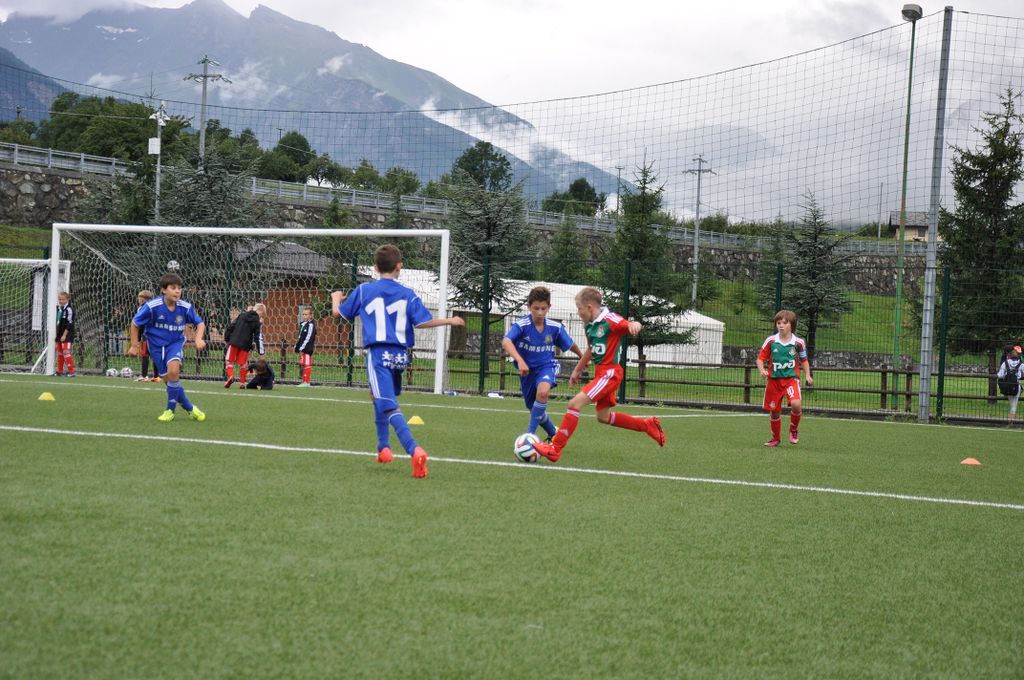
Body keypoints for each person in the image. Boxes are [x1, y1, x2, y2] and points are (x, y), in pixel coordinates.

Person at [331, 244, 466, 478]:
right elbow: (422, 322)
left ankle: (414, 450)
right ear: (399, 266)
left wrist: (335, 298)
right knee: (377, 395)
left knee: (388, 404)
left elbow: (338, 314)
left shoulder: (364, 290)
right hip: (401, 356)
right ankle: (383, 448)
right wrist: (449, 321)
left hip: (378, 354)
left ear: (375, 268)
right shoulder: (408, 293)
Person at [531, 287, 665, 463]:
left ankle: (555, 448)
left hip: (610, 373)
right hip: (601, 374)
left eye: (579, 308)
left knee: (574, 404)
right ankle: (647, 425)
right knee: (603, 417)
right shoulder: (589, 326)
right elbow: (591, 349)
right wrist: (577, 370)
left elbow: (630, 324)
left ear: (589, 307)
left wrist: (635, 325)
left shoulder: (610, 320)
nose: (578, 312)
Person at [502, 286, 583, 440]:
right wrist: (520, 361)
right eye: (536, 308)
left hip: (547, 366)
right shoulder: (522, 325)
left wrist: (582, 356)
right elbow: (506, 342)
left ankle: (529, 436)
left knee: (543, 393)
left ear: (549, 307)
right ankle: (553, 432)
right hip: (527, 371)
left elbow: (570, 343)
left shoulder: (555, 327)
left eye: (543, 308)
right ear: (529, 307)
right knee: (532, 407)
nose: (540, 312)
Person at [127, 272, 206, 423]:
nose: (177, 291)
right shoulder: (152, 306)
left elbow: (200, 323)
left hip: (175, 344)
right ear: (164, 290)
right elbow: (135, 323)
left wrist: (198, 338)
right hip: (156, 347)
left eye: (179, 288)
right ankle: (190, 408)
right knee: (169, 380)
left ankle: (170, 410)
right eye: (173, 288)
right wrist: (135, 345)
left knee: (174, 372)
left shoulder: (185, 307)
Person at [756, 309, 813, 446]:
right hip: (774, 382)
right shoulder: (771, 341)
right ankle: (776, 438)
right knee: (774, 412)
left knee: (796, 404)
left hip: (791, 380)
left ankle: (793, 430)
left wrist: (807, 375)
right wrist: (762, 370)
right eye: (778, 323)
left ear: (792, 325)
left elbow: (804, 360)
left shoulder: (798, 342)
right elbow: (760, 359)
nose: (781, 325)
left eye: (784, 323)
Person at [224, 302, 266, 388]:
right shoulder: (257, 322)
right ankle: (242, 383)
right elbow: (257, 337)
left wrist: (227, 338)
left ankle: (231, 376)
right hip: (245, 345)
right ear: (261, 312)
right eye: (262, 316)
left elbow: (231, 326)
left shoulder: (242, 315)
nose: (261, 318)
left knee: (229, 361)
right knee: (243, 364)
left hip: (234, 341)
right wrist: (261, 352)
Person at [133, 290, 157, 382]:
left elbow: (140, 324)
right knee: (155, 354)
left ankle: (144, 375)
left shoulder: (142, 308)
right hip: (156, 334)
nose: (138, 299)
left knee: (145, 354)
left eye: (139, 298)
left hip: (147, 334)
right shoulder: (155, 307)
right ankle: (157, 376)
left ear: (143, 299)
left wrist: (139, 337)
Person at [997, 344, 1023, 422]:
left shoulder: (1005, 363)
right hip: (1016, 386)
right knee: (1014, 405)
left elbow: (1000, 375)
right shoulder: (1021, 364)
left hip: (1007, 385)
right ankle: (1011, 420)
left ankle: (1011, 420)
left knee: (1012, 403)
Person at [55, 291, 75, 377]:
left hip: (67, 335)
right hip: (59, 335)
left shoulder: (69, 309)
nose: (61, 301)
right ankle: (60, 371)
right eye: (60, 299)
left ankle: (72, 372)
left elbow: (70, 323)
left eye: (63, 299)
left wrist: (64, 335)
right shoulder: (59, 309)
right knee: (60, 353)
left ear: (67, 299)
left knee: (66, 352)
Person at [295, 306, 316, 387]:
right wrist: (297, 346)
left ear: (311, 315)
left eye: (306, 314)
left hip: (307, 349)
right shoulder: (302, 324)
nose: (304, 316)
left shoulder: (310, 325)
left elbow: (308, 338)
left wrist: (302, 348)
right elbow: (300, 337)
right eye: (303, 314)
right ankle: (304, 381)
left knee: (307, 363)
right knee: (303, 363)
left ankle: (306, 382)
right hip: (302, 348)